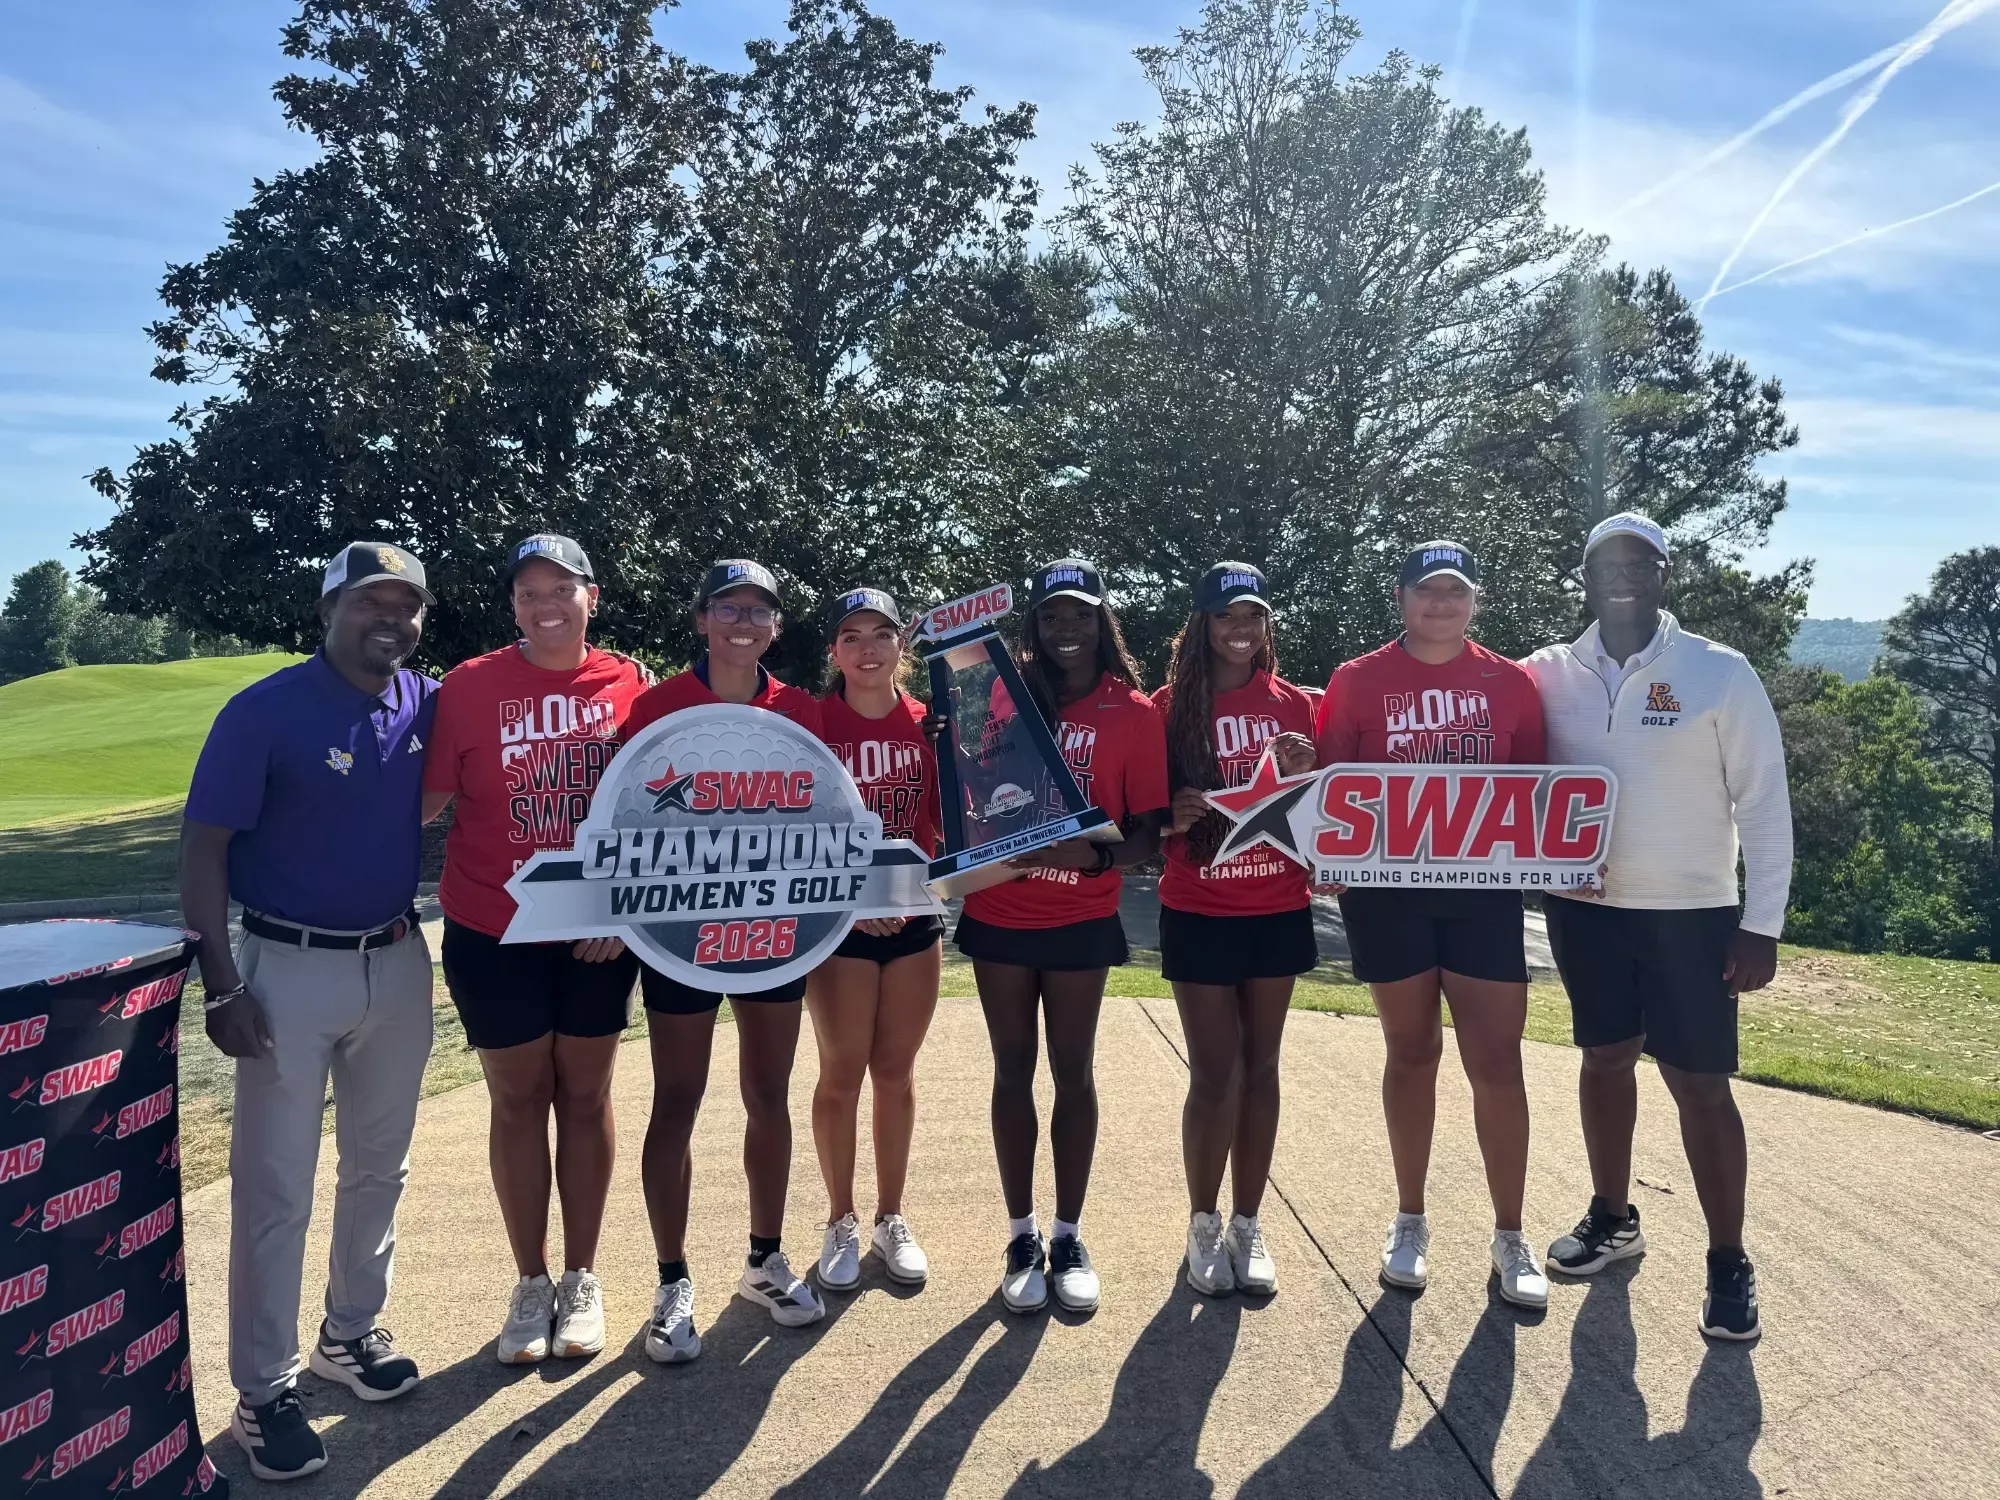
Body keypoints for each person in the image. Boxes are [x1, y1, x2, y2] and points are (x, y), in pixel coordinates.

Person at [181, 542, 438, 1482]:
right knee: (275, 1185)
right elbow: (204, 851)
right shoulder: (264, 712)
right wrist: (222, 982)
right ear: (328, 609)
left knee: (381, 1166)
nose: (392, 620)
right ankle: (264, 1389)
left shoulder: (425, 699)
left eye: (407, 606)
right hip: (284, 968)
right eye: (372, 601)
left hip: (399, 960)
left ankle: (350, 1333)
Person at [1524, 512, 1792, 1341]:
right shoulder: (1545, 672)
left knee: (1699, 1086)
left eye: (1641, 563)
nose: (1623, 576)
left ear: (1665, 575)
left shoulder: (1720, 671)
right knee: (1604, 1060)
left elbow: (1764, 801)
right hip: (1587, 911)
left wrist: (1762, 923)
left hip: (1693, 916)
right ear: (1585, 576)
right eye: (1607, 563)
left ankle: (1728, 1260)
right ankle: (1614, 1217)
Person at [422, 534, 653, 1365]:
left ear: (594, 596)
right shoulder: (469, 686)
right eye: (528, 592)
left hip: (596, 935)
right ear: (512, 605)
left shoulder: (631, 684)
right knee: (518, 1102)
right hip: (494, 928)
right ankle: (530, 1282)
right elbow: (422, 804)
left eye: (562, 588)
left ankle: (582, 1278)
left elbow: (656, 811)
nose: (545, 604)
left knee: (585, 1100)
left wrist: (620, 913)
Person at [1314, 541, 1551, 1309]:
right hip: (1388, 896)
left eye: (1456, 592)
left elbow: (1535, 798)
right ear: (1402, 597)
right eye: (1427, 591)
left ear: (1475, 600)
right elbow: (1329, 786)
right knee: (1411, 1051)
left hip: (1483, 893)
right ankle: (1409, 1218)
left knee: (1497, 1062)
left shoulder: (1510, 682)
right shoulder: (1357, 680)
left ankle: (1510, 1234)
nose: (1441, 605)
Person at [620, 559, 827, 1362]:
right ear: (702, 618)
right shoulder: (656, 707)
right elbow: (625, 822)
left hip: (775, 929)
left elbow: (838, 806)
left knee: (768, 1093)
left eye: (760, 611)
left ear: (776, 626)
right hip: (680, 932)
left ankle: (763, 1258)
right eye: (728, 608)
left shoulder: (801, 709)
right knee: (677, 1099)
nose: (744, 622)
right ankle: (671, 1281)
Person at [955, 558, 1169, 1315]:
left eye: (1080, 615)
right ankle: (1021, 1234)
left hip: (1081, 918)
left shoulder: (1135, 713)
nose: (1066, 629)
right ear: (1035, 626)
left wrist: (1100, 855)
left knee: (1072, 1074)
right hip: (1000, 915)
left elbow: (1151, 833)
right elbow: (980, 799)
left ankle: (1070, 1235)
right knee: (1012, 1073)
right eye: (1052, 616)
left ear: (1101, 621)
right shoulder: (1006, 705)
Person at [1154, 563, 1319, 1297]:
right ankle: (1203, 1223)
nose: (1241, 630)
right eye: (1226, 618)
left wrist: (1306, 774)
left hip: (1277, 906)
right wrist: (1170, 813)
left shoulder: (1295, 704)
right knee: (1213, 1074)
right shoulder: (1166, 705)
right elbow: (1140, 803)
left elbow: (1319, 808)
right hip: (1198, 909)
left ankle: (1248, 1225)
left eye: (1252, 616)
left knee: (1262, 1069)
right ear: (1203, 626)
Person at [808, 588, 943, 1292]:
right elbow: (790, 829)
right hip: (838, 925)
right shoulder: (809, 723)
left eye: (882, 634)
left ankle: (892, 1216)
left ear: (902, 648)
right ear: (835, 650)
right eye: (852, 635)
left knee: (896, 1073)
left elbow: (951, 820)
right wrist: (851, 903)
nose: (868, 648)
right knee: (841, 1073)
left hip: (916, 919)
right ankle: (841, 1218)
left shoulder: (931, 722)